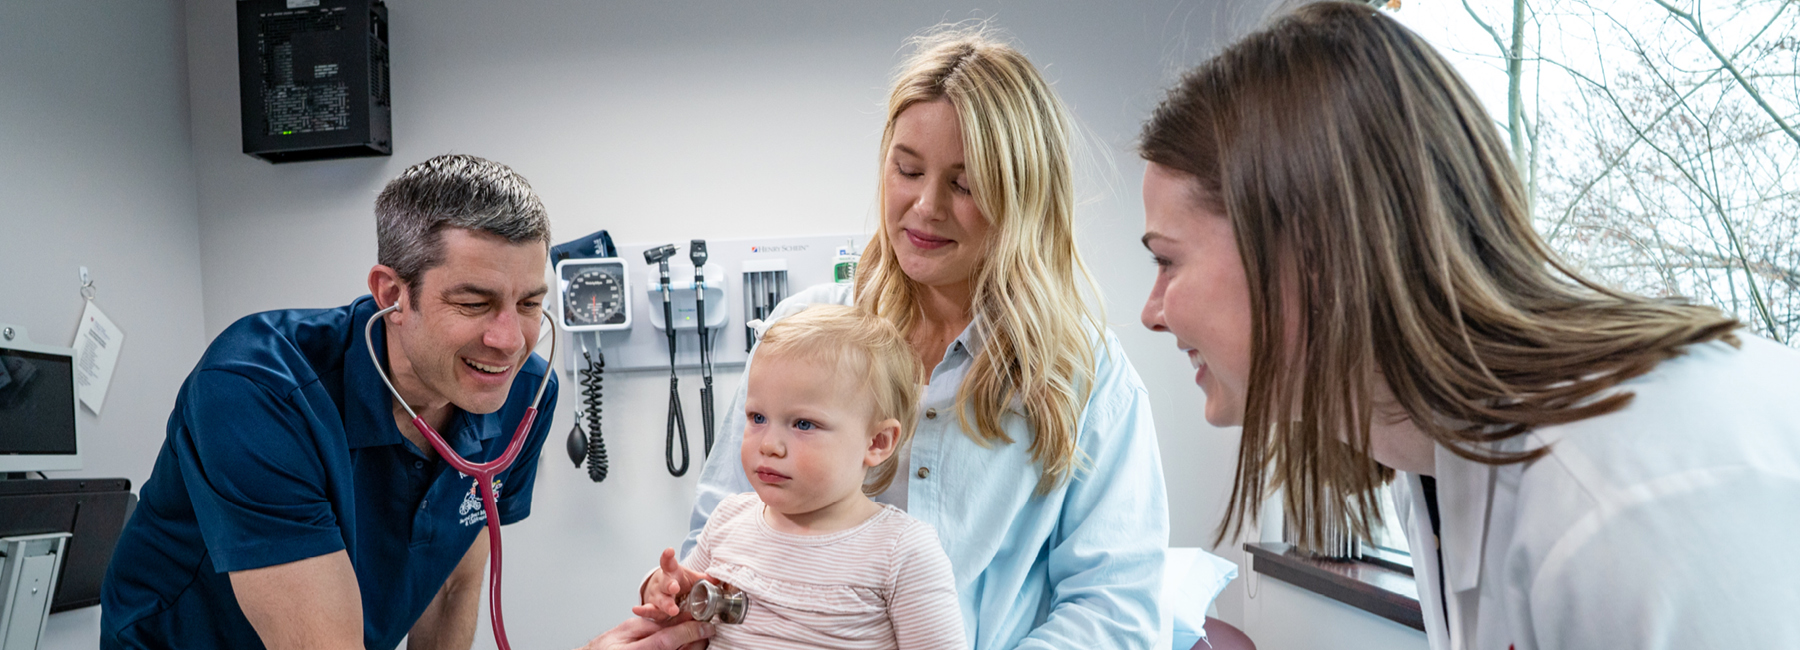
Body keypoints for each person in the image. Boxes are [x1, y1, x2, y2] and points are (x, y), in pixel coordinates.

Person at [1137, 4, 1800, 649]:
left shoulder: (1631, 503)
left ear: (1310, 252)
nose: (1152, 311)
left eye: (1168, 261)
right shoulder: (1427, 458)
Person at [100, 154, 712, 650]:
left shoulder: (522, 395)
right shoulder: (257, 391)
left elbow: (449, 582)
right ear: (392, 294)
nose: (508, 341)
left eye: (528, 304)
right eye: (473, 303)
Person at [682, 28, 1168, 650]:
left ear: (1022, 196)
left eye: (964, 185)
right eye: (907, 170)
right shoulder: (800, 335)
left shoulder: (1085, 372)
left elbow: (1116, 606)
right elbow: (721, 547)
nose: (925, 206)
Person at [637, 305, 965, 649]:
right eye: (757, 417)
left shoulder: (903, 553)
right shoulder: (727, 522)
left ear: (877, 442)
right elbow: (681, 612)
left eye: (803, 424)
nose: (769, 445)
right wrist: (662, 589)